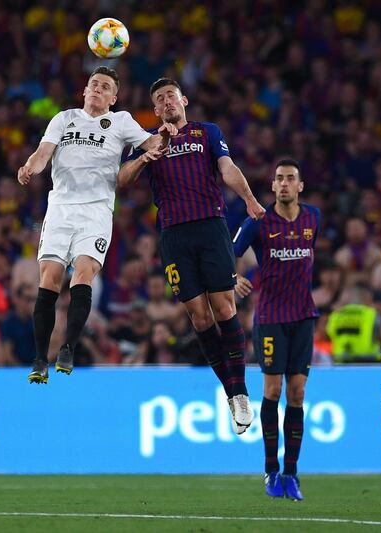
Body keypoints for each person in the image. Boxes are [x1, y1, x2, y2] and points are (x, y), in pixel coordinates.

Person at [118, 78, 265, 431]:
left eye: (171, 95)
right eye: (159, 99)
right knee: (200, 319)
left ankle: (240, 391)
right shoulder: (148, 141)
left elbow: (227, 167)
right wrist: (145, 158)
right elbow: (121, 181)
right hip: (174, 235)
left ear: (183, 100)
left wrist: (249, 199)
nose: (167, 101)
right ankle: (231, 391)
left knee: (225, 308)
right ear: (154, 110)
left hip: (211, 228)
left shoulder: (207, 132)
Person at [17, 66, 176, 383]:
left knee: (84, 273)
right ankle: (39, 358)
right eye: (94, 84)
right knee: (49, 280)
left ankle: (68, 348)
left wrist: (165, 135)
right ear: (85, 91)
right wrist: (29, 167)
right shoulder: (64, 118)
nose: (98, 89)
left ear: (113, 97)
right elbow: (42, 153)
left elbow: (153, 146)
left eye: (105, 87)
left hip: (97, 210)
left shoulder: (121, 121)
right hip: (61, 207)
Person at [231, 159, 319, 501]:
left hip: (303, 317)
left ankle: (291, 474)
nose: (284, 184)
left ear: (300, 186)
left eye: (290, 179)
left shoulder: (314, 218)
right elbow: (230, 251)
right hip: (269, 318)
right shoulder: (258, 221)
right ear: (272, 186)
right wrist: (233, 277)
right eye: (279, 179)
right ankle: (270, 471)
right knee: (272, 391)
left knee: (297, 395)